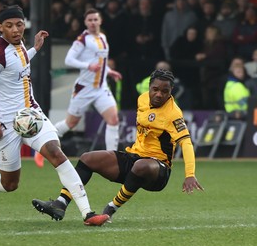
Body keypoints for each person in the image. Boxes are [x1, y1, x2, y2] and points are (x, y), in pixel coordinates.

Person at [0, 5, 109, 226]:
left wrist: (35, 49)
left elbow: (17, 64)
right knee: (9, 184)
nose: (15, 30)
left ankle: (88, 213)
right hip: (4, 124)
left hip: (30, 115)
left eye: (19, 25)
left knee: (57, 154)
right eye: (9, 26)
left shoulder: (18, 45)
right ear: (0, 28)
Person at [32, 69, 204, 222]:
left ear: (170, 92)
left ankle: (110, 208)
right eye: (155, 89)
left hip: (157, 170)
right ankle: (60, 203)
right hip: (134, 156)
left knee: (141, 165)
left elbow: (186, 142)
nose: (159, 94)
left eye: (165, 91)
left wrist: (190, 174)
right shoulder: (142, 99)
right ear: (149, 87)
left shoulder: (173, 114)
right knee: (87, 158)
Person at [35, 8, 122, 166]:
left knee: (113, 119)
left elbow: (101, 61)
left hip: (101, 88)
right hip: (84, 88)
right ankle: (41, 146)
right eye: (90, 20)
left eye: (95, 19)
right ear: (85, 22)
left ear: (100, 21)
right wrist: (87, 65)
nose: (93, 23)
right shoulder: (82, 40)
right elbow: (69, 60)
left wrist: (109, 71)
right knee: (71, 123)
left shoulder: (102, 37)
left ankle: (113, 158)